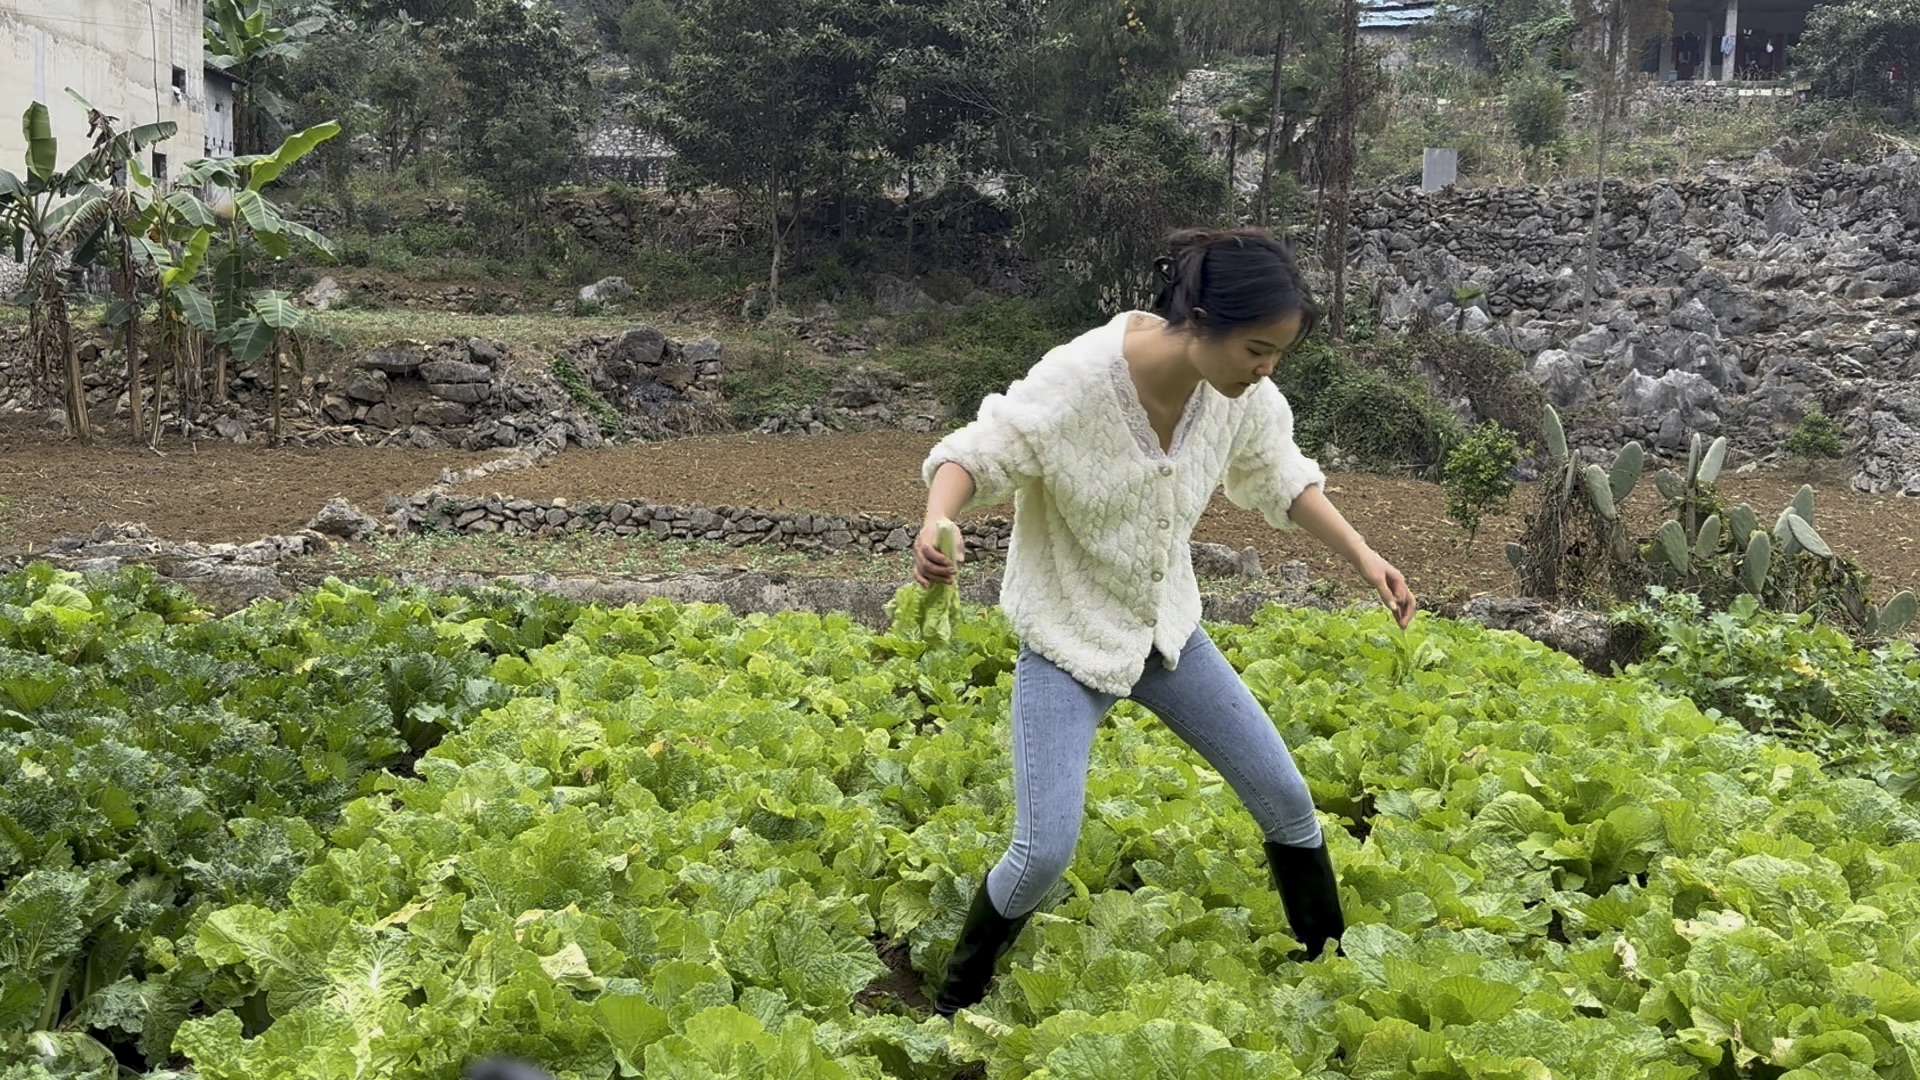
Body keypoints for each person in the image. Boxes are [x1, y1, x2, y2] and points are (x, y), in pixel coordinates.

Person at [914, 227, 1416, 1018]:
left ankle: (1333, 978)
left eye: (1277, 354)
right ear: (1204, 318)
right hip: (1068, 638)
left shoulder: (1240, 398)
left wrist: (1364, 555)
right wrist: (935, 521)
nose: (1265, 370)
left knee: (1288, 801)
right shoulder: (1079, 379)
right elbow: (978, 455)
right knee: (1044, 851)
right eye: (1257, 348)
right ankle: (950, 1002)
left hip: (1169, 634)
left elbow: (1281, 476)